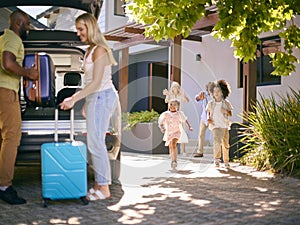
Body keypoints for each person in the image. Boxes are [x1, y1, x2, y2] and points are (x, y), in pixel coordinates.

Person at [60, 13, 121, 201]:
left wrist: (74, 99)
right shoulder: (90, 50)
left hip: (103, 97)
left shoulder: (100, 50)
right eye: (77, 29)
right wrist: (87, 102)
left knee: (96, 143)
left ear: (91, 27)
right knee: (94, 143)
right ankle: (98, 184)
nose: (78, 33)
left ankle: (104, 189)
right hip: (96, 98)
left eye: (81, 29)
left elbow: (96, 83)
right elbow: (89, 82)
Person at [0, 10, 39, 205]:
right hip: (6, 93)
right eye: (28, 24)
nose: (29, 28)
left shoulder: (4, 38)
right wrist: (28, 74)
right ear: (18, 23)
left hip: (3, 91)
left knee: (3, 138)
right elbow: (7, 63)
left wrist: (21, 75)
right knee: (12, 137)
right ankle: (4, 186)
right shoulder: (14, 39)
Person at [158, 99, 193, 170]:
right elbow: (161, 122)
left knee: (173, 143)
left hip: (177, 132)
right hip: (169, 132)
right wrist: (162, 128)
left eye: (174, 105)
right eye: (171, 104)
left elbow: (185, 120)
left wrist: (189, 126)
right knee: (171, 146)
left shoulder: (180, 114)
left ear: (178, 106)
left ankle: (174, 161)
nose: (172, 106)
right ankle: (173, 159)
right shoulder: (165, 114)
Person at [206, 80, 233, 168]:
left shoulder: (226, 103)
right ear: (212, 93)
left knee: (225, 145)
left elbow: (230, 114)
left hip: (224, 126)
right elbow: (208, 113)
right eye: (214, 91)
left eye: (218, 91)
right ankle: (216, 159)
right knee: (217, 142)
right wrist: (208, 119)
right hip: (215, 126)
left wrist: (225, 111)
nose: (216, 93)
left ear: (223, 93)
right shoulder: (210, 104)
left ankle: (226, 160)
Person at [163, 81, 189, 155]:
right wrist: (167, 95)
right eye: (173, 87)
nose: (175, 89)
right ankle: (171, 149)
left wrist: (183, 94)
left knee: (182, 132)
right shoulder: (170, 95)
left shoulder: (180, 96)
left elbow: (187, 100)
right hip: (171, 116)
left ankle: (183, 150)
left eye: (176, 87)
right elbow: (166, 101)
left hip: (179, 116)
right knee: (170, 132)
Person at [194, 82, 214, 158]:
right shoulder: (204, 94)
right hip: (204, 117)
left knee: (215, 134)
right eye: (209, 88)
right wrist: (199, 97)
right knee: (201, 134)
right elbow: (196, 98)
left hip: (212, 118)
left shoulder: (215, 95)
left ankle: (219, 152)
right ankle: (200, 152)